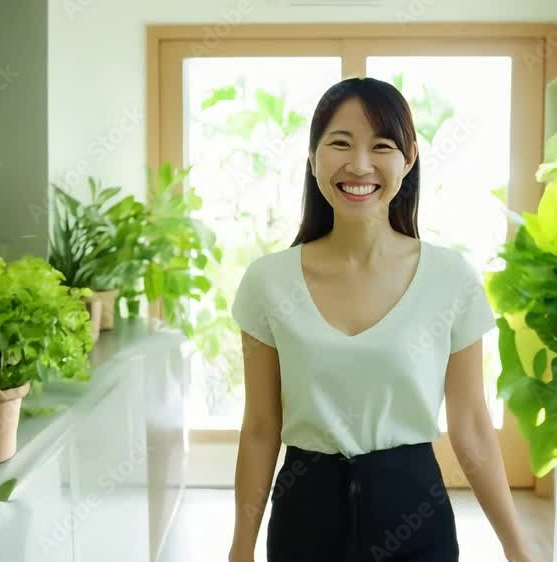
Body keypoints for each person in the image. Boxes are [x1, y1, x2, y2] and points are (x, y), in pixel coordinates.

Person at [228, 77, 532, 562]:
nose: (360, 165)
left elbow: (472, 425)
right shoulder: (267, 283)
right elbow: (262, 426)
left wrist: (518, 547)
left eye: (382, 145)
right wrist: (240, 546)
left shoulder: (450, 279)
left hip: (415, 517)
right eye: (340, 143)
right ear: (312, 158)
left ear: (408, 159)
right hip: (304, 522)